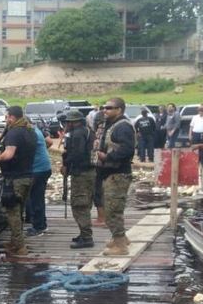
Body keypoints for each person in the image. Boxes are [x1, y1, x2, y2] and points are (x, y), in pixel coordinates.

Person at [0, 106, 36, 256]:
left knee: (13, 212)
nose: (5, 120)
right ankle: (15, 242)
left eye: (6, 117)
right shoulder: (30, 131)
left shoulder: (14, 133)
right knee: (19, 211)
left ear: (12, 117)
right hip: (28, 175)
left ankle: (20, 247)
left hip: (15, 178)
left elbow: (8, 155)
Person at [92, 97, 135, 256]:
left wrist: (107, 157)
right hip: (110, 173)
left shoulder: (123, 127)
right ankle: (121, 238)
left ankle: (120, 246)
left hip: (118, 174)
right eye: (104, 107)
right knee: (112, 207)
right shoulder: (111, 125)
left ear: (120, 110)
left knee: (112, 210)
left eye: (109, 108)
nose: (105, 110)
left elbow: (128, 150)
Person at [61, 110, 95, 249]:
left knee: (80, 205)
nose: (66, 125)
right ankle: (84, 233)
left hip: (81, 173)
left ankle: (86, 237)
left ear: (73, 122)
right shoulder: (87, 131)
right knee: (85, 204)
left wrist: (66, 163)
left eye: (68, 122)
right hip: (89, 172)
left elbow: (77, 154)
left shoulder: (76, 134)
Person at [25, 118, 53, 236]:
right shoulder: (36, 130)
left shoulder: (32, 134)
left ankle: (39, 226)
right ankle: (41, 223)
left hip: (38, 169)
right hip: (43, 167)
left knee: (35, 198)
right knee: (37, 197)